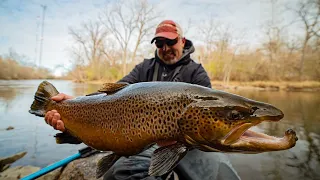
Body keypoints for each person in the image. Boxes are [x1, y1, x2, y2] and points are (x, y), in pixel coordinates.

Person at [45, 20, 240, 180]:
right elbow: (109, 97)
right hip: (147, 143)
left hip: (188, 143)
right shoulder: (144, 68)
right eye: (159, 43)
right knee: (120, 174)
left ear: (182, 41)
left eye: (170, 42)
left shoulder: (197, 73)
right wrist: (75, 103)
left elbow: (208, 118)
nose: (165, 48)